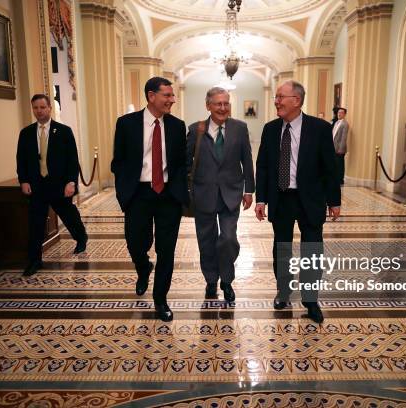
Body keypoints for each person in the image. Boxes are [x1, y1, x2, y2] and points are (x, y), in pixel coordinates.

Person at [255, 80, 341, 323]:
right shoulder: (270, 129)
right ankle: (283, 291)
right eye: (276, 97)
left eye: (281, 97)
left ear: (297, 100)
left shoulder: (320, 128)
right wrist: (261, 198)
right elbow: (262, 166)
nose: (277, 101)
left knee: (312, 250)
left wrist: (334, 200)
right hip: (280, 198)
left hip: (310, 199)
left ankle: (311, 300)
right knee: (281, 249)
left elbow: (330, 168)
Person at [111, 77, 188, 322]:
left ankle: (160, 299)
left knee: (167, 250)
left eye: (172, 95)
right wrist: (125, 189)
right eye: (167, 95)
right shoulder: (126, 124)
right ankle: (143, 267)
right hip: (138, 194)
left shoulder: (177, 125)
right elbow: (118, 160)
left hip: (168, 195)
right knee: (135, 243)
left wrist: (178, 188)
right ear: (151, 95)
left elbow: (182, 162)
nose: (171, 100)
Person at [187, 87, 254, 302]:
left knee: (227, 239)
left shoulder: (240, 128)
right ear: (208, 106)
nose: (223, 108)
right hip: (203, 194)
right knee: (206, 240)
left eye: (226, 103)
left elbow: (247, 160)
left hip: (231, 194)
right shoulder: (195, 130)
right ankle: (211, 280)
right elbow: (186, 163)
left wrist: (249, 190)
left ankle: (227, 280)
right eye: (218, 104)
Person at [17, 94, 88, 276]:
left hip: (59, 185)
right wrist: (23, 180)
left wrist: (71, 182)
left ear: (49, 108)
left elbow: (73, 160)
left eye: (42, 107)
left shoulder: (64, 131)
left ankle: (81, 237)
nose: (39, 111)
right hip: (36, 186)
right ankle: (34, 260)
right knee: (35, 224)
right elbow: (21, 160)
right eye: (35, 108)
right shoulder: (26, 133)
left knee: (68, 215)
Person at [332, 107, 348, 185]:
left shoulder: (345, 124)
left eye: (341, 113)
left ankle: (340, 180)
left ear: (344, 114)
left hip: (339, 149)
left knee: (340, 165)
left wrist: (340, 150)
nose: (339, 114)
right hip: (334, 147)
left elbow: (343, 138)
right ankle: (335, 178)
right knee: (335, 164)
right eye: (338, 112)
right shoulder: (336, 122)